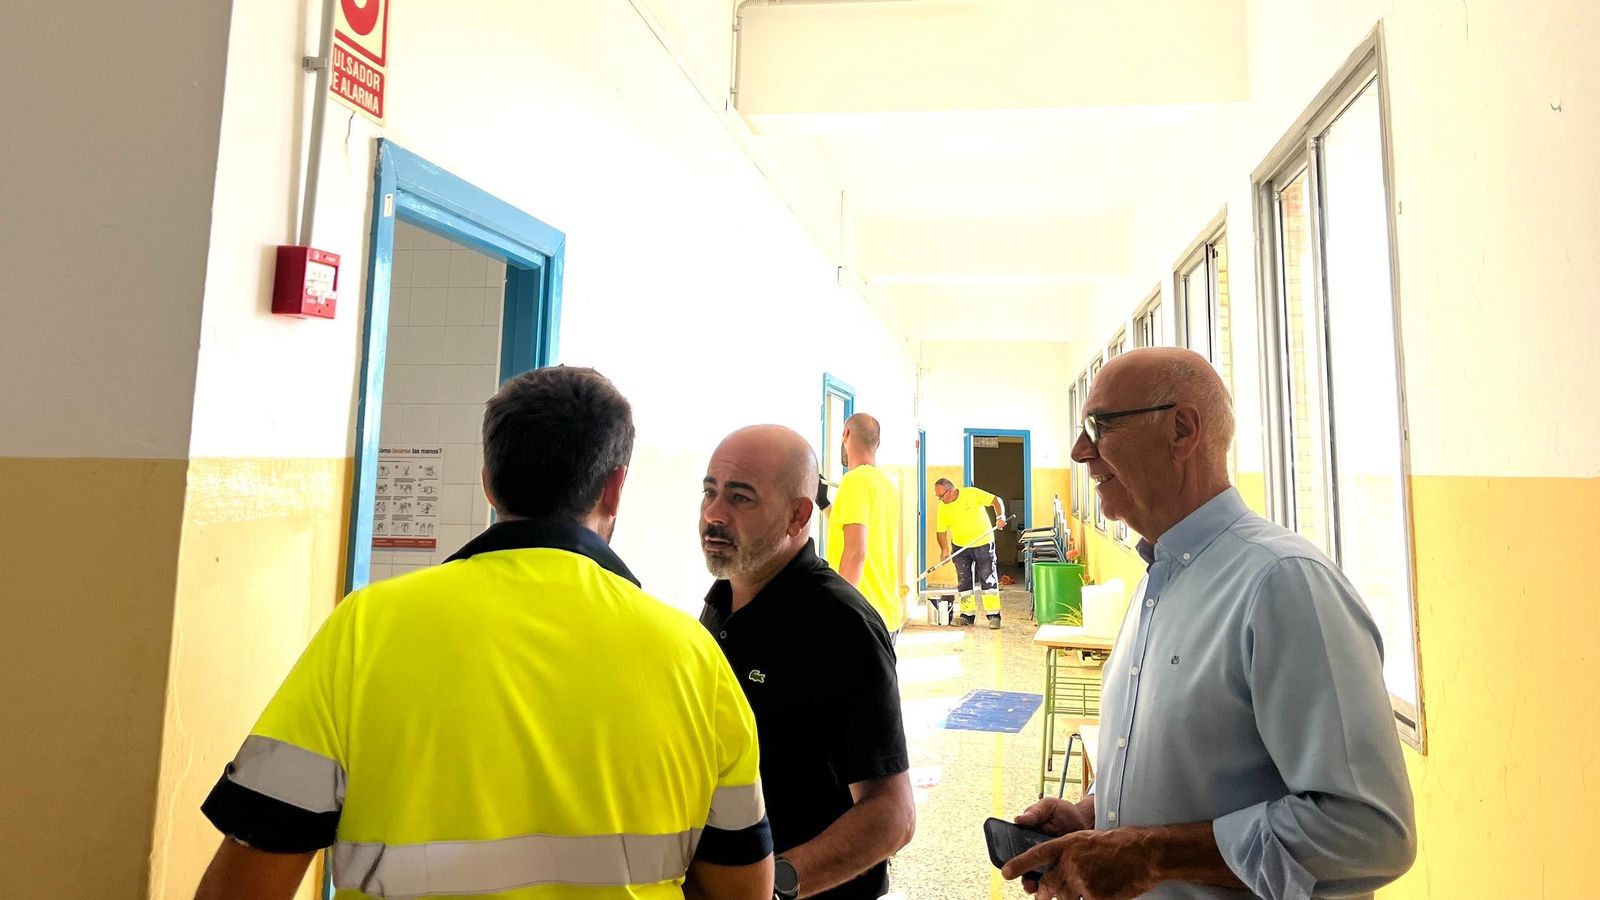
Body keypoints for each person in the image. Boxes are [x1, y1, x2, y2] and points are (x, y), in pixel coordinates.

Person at [195, 366, 773, 900]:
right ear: (615, 487)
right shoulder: (694, 656)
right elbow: (744, 891)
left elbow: (243, 886)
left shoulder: (366, 628)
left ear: (489, 484)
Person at [1000, 348, 1415, 900]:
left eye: (1099, 427)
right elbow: (1196, 769)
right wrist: (1095, 818)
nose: (1080, 451)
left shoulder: (1283, 584)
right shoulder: (1159, 578)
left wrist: (1149, 855)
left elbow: (1370, 832)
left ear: (1181, 430)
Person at [699, 425, 915, 900]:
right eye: (710, 492)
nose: (714, 514)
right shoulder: (719, 605)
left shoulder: (841, 626)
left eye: (740, 498)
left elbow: (892, 815)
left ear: (798, 515)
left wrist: (772, 885)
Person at [824, 413, 904, 635]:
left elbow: (855, 552)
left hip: (860, 614)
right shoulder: (886, 485)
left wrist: (840, 608)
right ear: (877, 443)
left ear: (846, 434)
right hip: (885, 613)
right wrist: (824, 504)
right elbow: (859, 532)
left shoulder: (854, 481)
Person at [933, 477, 1008, 628]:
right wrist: (945, 550)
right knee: (964, 581)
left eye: (941, 495)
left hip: (983, 543)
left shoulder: (971, 493)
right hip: (960, 547)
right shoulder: (942, 508)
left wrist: (1000, 517)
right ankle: (967, 616)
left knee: (988, 579)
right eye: (938, 496)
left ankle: (994, 616)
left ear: (951, 491)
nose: (940, 499)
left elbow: (996, 500)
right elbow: (941, 532)